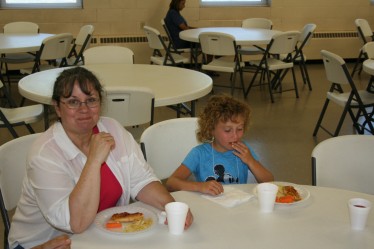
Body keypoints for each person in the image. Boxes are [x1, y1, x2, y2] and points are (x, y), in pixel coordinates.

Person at [8, 67, 193, 249]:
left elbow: (142, 180)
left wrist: (172, 207)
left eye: (91, 100)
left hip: (101, 235)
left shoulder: (112, 128)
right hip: (43, 244)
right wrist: (94, 161)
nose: (84, 109)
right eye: (73, 102)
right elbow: (76, 223)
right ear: (57, 108)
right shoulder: (44, 155)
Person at [166, 95, 274, 196]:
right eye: (228, 130)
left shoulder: (244, 150)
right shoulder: (199, 153)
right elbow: (171, 183)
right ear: (211, 129)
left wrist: (251, 161)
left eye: (240, 129)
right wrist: (200, 186)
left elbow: (269, 182)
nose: (235, 136)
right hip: (209, 207)